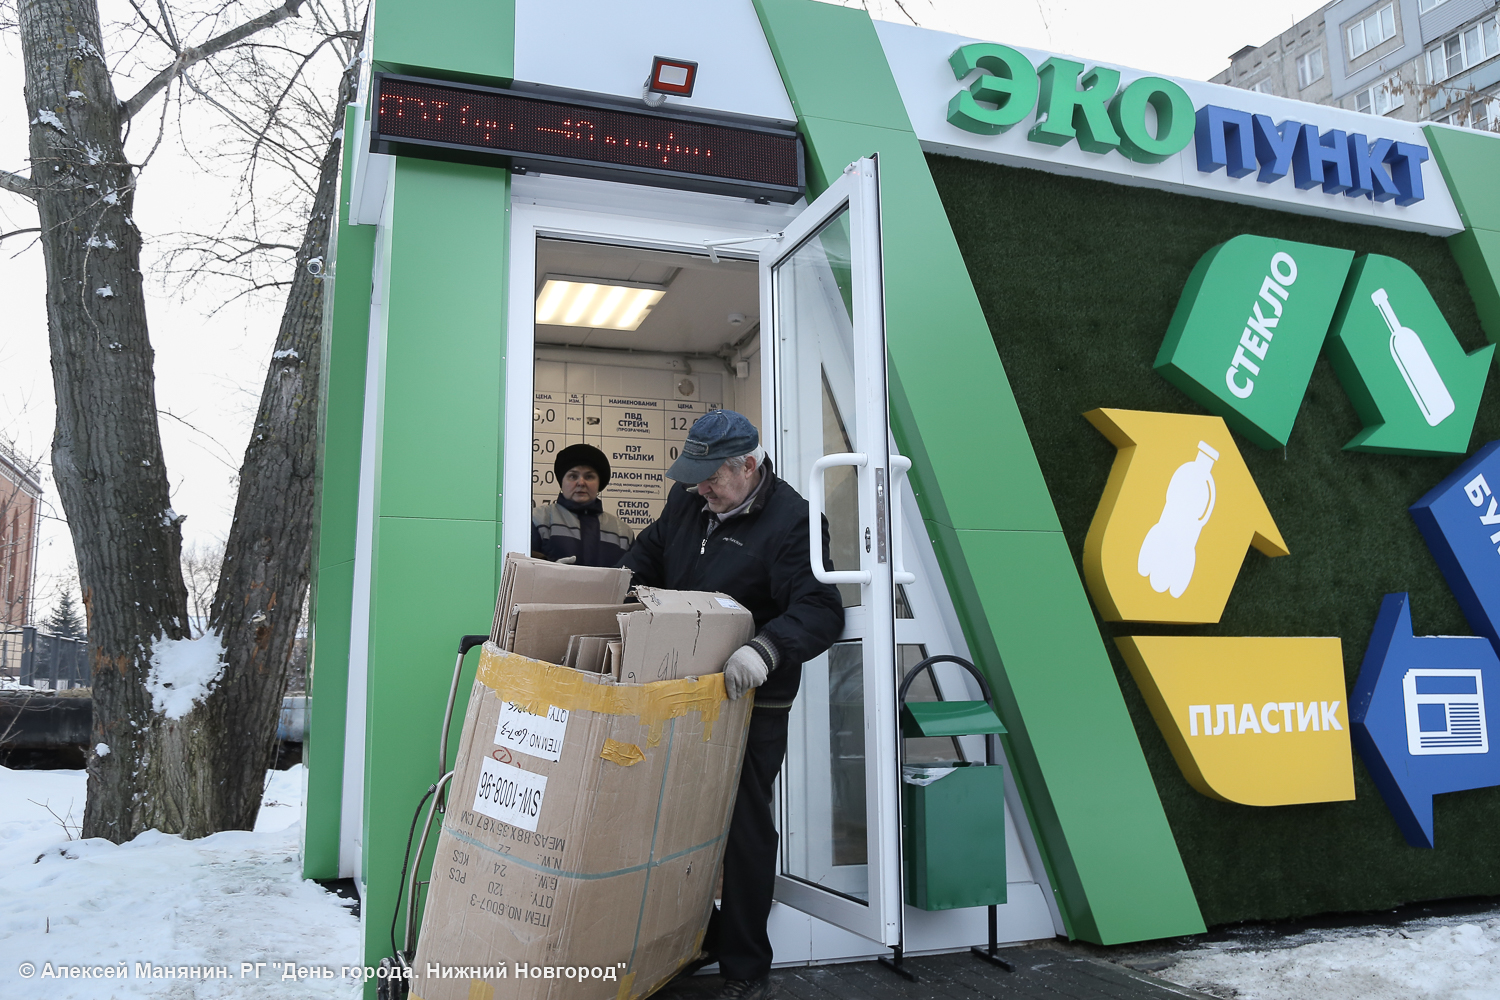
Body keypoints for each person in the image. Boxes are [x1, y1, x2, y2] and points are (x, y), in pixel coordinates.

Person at [620, 409, 843, 1000]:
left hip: (749, 696)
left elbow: (821, 609)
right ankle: (688, 939)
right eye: (692, 477)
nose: (699, 489)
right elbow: (647, 555)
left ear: (747, 466)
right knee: (666, 814)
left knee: (741, 824)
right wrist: (606, 586)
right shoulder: (689, 501)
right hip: (676, 689)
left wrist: (766, 650)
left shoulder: (795, 521)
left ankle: (746, 967)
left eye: (710, 478)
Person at [530, 443, 635, 567]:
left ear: (599, 483)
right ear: (561, 482)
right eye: (573, 476)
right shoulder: (537, 520)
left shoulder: (623, 533)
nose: (581, 482)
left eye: (589, 476)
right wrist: (548, 571)